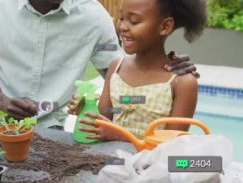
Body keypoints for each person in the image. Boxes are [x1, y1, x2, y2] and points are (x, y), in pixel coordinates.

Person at [0, 0, 198, 129]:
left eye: (133, 20)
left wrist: (166, 69)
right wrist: (3, 103)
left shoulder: (94, 18)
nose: (124, 25)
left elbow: (122, 77)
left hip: (48, 130)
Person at [68, 0, 207, 140]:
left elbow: (171, 145)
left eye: (134, 21)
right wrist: (87, 107)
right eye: (121, 18)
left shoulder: (182, 83)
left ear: (165, 26)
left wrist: (122, 135)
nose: (122, 26)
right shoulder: (116, 67)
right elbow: (106, 116)